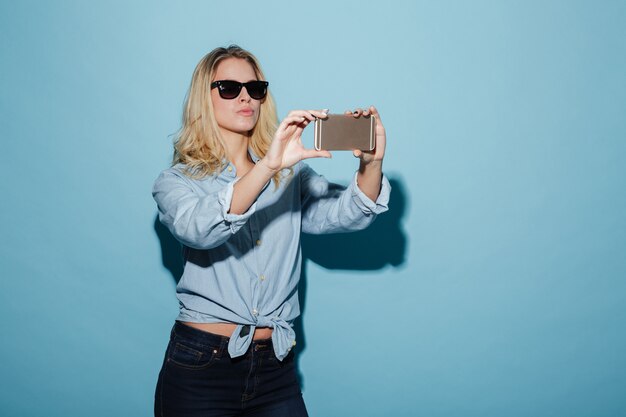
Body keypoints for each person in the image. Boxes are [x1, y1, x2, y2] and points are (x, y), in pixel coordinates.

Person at [152, 45, 391, 417]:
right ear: (205, 98)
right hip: (201, 365)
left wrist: (371, 165)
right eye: (229, 88)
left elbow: (346, 214)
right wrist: (267, 167)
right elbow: (199, 230)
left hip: (275, 365)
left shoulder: (289, 175)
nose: (245, 96)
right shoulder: (176, 181)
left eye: (255, 88)